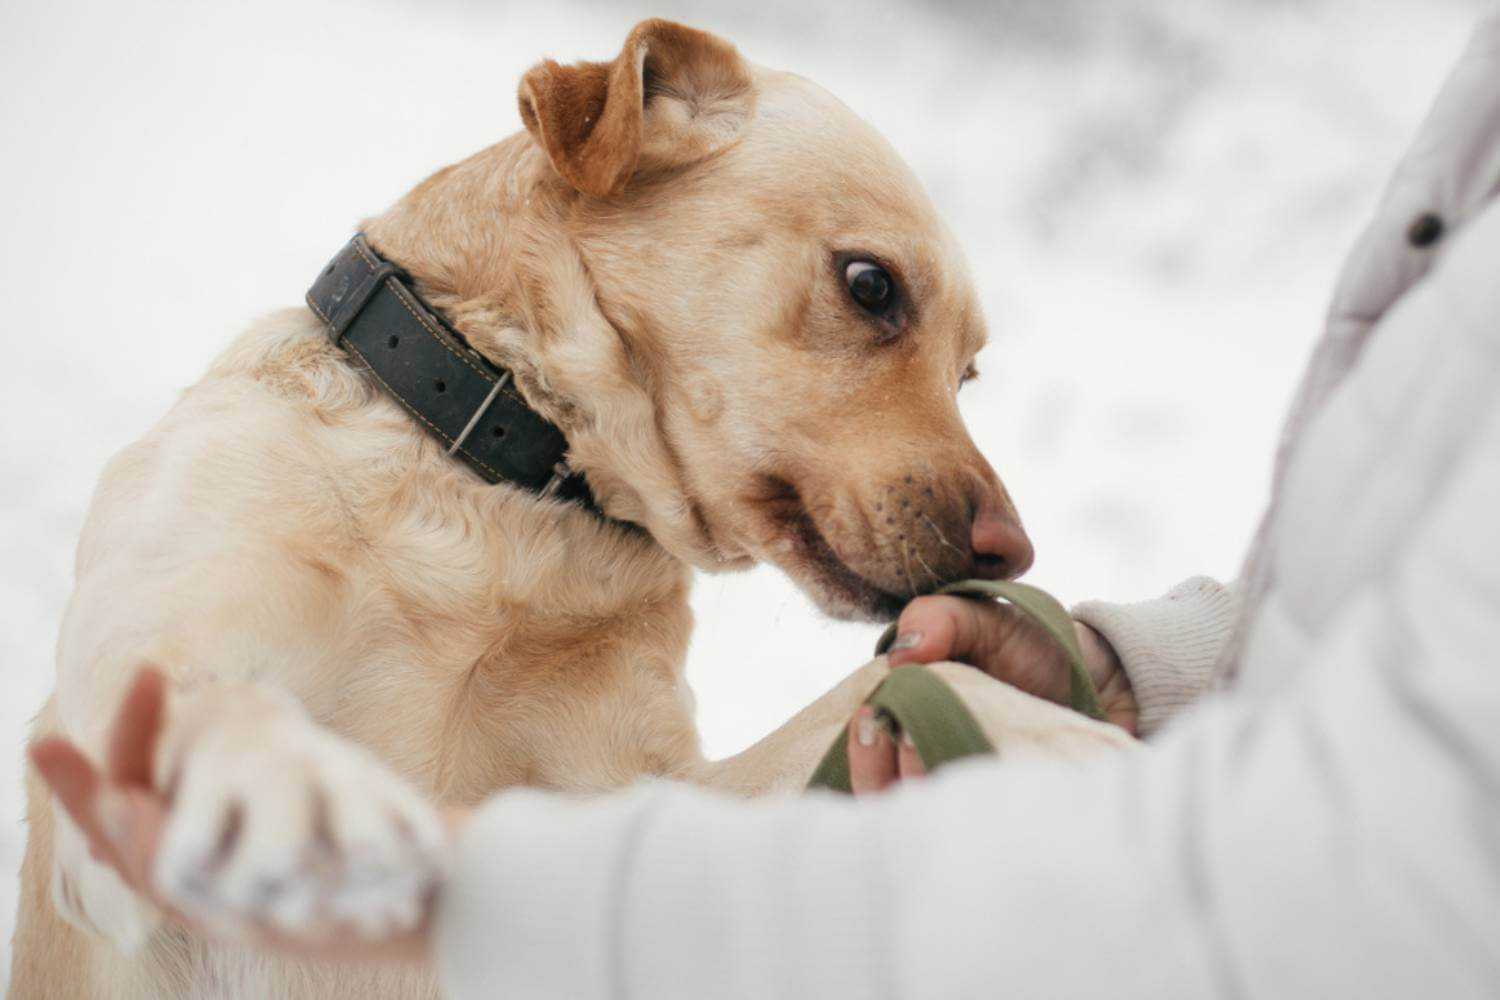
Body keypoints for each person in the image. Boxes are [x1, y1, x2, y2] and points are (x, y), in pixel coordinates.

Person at [32, 14, 1500, 998]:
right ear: (621, 144)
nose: (996, 525)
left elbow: (636, 920)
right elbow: (119, 852)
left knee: (962, 739)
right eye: (870, 298)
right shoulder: (244, 469)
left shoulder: (624, 601)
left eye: (958, 377)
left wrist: (1049, 717)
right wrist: (217, 765)